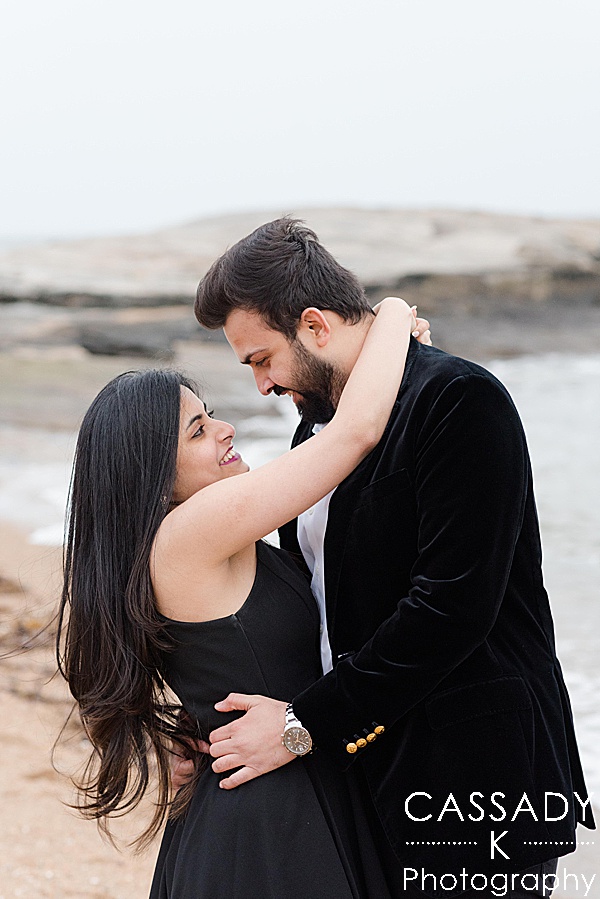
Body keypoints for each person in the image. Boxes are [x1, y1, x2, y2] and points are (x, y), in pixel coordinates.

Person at [192, 218, 595, 898]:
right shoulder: (315, 432)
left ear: (315, 326)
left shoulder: (459, 399)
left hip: (472, 776)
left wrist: (300, 726)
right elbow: (321, 604)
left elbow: (452, 606)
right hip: (364, 769)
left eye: (261, 359)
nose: (261, 385)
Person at [57, 298, 425, 898]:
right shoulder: (192, 531)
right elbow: (353, 434)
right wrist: (388, 315)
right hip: (266, 829)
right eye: (198, 431)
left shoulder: (188, 543)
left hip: (270, 794)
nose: (225, 428)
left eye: (211, 416)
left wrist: (179, 727)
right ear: (155, 474)